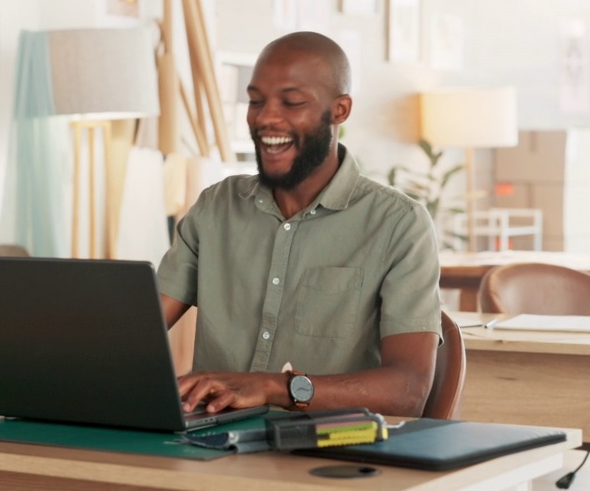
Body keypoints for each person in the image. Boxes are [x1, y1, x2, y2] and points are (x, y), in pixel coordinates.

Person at [156, 31, 442, 417]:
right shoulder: (215, 207)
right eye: (256, 101)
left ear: (339, 111)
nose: (266, 117)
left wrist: (274, 387)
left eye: (292, 102)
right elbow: (135, 338)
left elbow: (408, 390)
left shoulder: (398, 224)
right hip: (213, 446)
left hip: (332, 453)